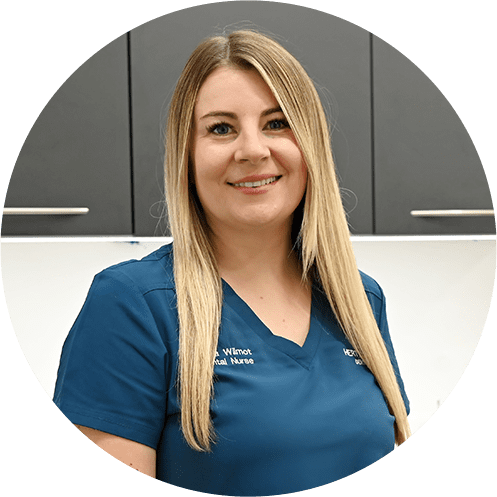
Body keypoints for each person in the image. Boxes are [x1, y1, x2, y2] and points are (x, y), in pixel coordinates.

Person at [53, 30, 410, 495]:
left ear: (311, 146)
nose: (253, 150)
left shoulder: (359, 299)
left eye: (277, 123)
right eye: (221, 129)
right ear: (187, 153)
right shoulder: (133, 306)